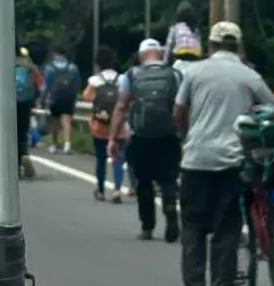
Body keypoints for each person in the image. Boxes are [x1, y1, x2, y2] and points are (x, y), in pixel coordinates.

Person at [174, 21, 274, 286]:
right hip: (232, 160)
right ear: (239, 46)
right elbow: (273, 108)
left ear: (210, 45)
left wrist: (186, 137)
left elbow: (179, 111)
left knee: (193, 226)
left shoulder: (194, 72)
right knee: (226, 227)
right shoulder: (249, 76)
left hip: (196, 159)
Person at [108, 38, 181, 241]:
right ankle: (170, 207)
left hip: (141, 137)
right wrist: (183, 133)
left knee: (143, 182)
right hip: (168, 136)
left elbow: (121, 107)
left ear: (141, 56)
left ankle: (147, 226)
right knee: (169, 179)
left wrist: (112, 138)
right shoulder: (175, 75)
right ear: (160, 54)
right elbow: (182, 107)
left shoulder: (130, 75)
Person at [84, 46, 127, 202]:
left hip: (99, 126)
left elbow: (87, 97)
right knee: (118, 159)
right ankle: (117, 190)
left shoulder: (94, 81)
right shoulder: (122, 79)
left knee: (100, 158)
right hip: (119, 127)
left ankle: (101, 190)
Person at [41, 50, 81, 154]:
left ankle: (54, 144)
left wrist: (42, 99)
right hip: (68, 97)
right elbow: (77, 83)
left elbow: (46, 85)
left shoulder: (50, 68)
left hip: (55, 97)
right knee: (66, 120)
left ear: (54, 54)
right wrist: (75, 95)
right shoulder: (73, 67)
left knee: (54, 120)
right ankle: (67, 144)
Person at [15, 48, 41, 178]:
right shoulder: (30, 67)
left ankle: (11, 161)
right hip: (25, 104)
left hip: (6, 104)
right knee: (22, 133)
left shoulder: (3, 63)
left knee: (8, 133)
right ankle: (23, 155)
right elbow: (39, 85)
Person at [165, 0, 203, 70]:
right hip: (195, 55)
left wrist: (165, 62)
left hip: (180, 54)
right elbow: (199, 44)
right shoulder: (195, 28)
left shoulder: (175, 27)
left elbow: (169, 45)